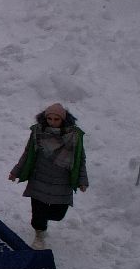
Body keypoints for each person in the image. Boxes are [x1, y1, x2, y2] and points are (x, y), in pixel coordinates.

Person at [8, 103, 89, 250]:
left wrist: (82, 180)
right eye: (49, 119)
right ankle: (39, 234)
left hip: (62, 183)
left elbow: (80, 159)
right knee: (38, 213)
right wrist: (16, 171)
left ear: (63, 120)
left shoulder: (74, 137)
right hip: (39, 179)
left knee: (58, 215)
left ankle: (42, 222)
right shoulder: (38, 132)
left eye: (56, 119)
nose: (52, 122)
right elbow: (28, 153)